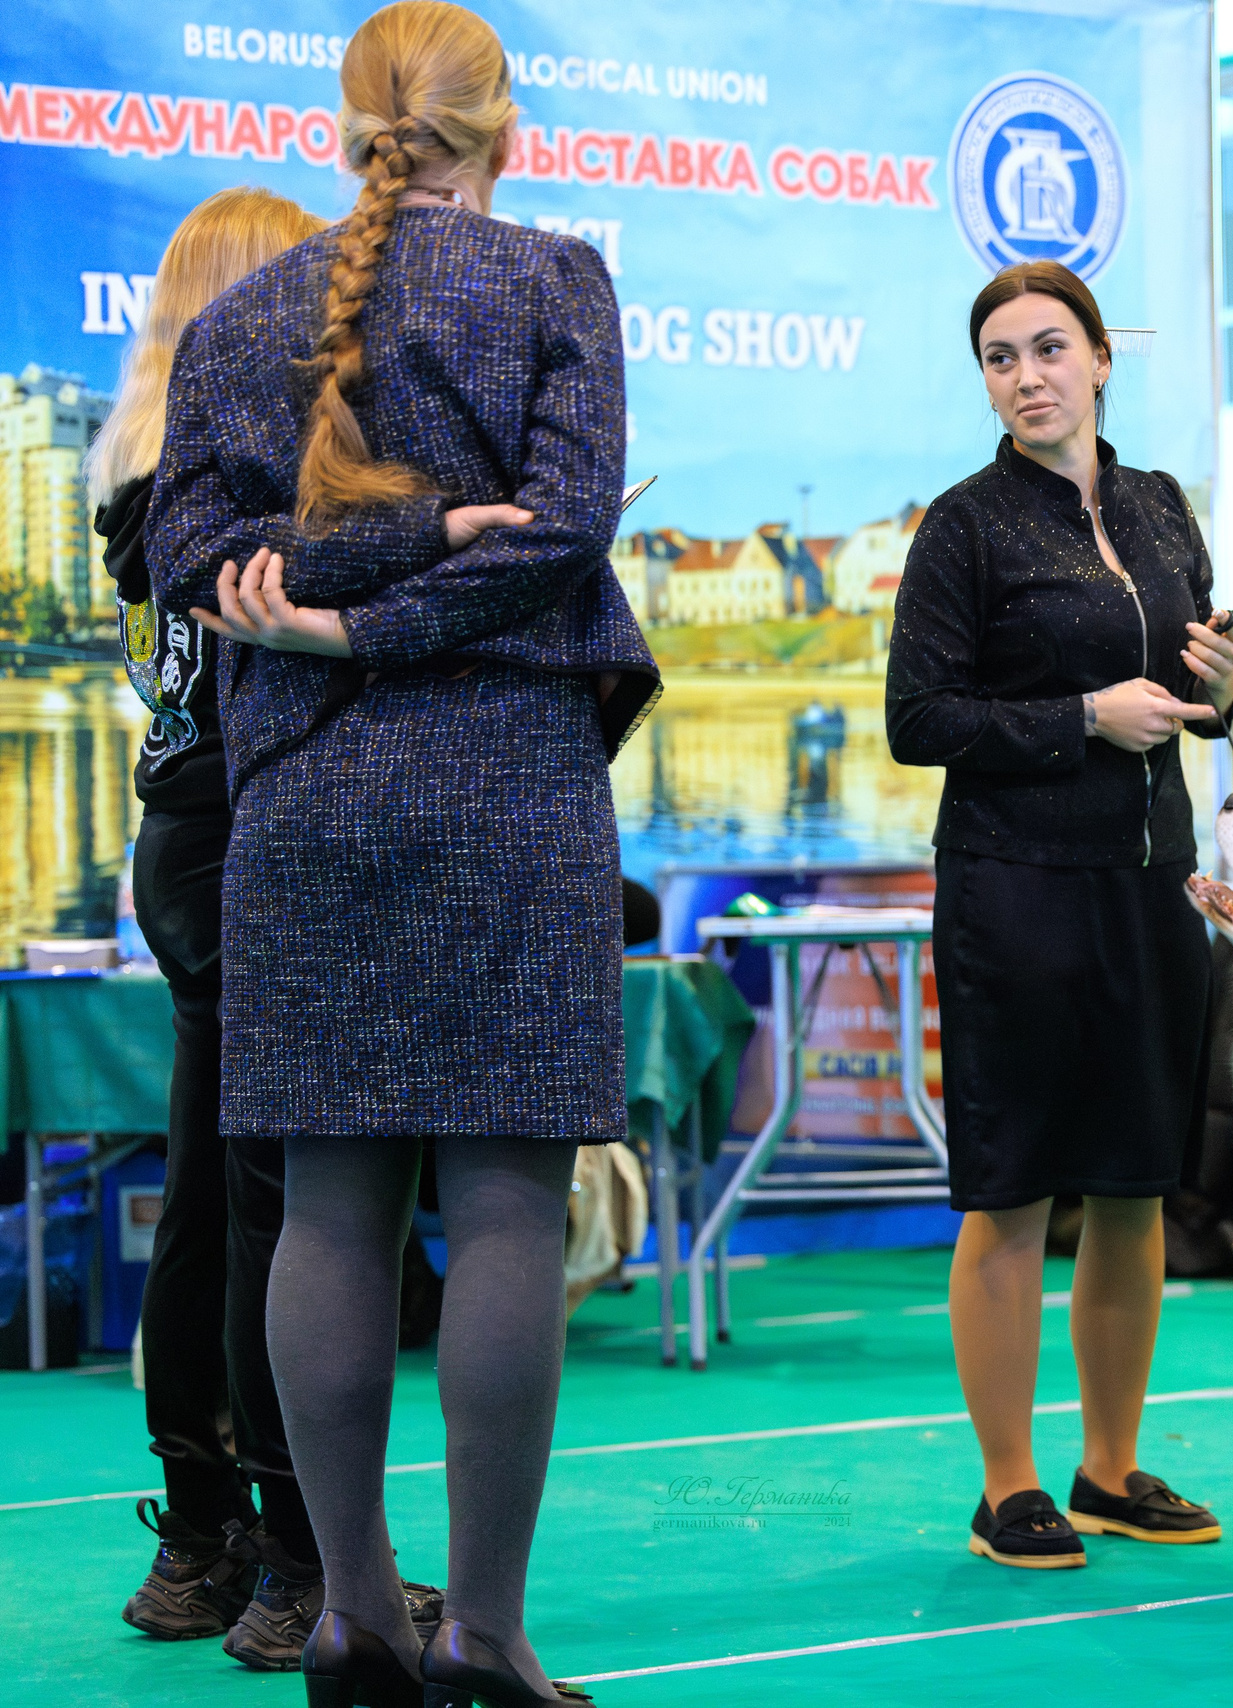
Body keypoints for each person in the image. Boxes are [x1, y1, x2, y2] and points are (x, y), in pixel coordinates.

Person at [150, 4, 656, 1699]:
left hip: (302, 801)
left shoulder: (233, 320)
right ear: (503, 130)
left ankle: (358, 1609)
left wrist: (331, 619)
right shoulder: (556, 281)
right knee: (507, 1205)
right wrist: (420, 564)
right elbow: (570, 525)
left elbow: (193, 556)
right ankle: (491, 1636)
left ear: (348, 126)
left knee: (331, 1210)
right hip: (507, 781)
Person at [91, 183, 449, 1670]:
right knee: (281, 1206)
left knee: (205, 1192)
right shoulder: (262, 468)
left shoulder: (134, 474)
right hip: (252, 834)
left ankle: (200, 1540)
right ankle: (305, 1565)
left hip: (172, 837)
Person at [886, 258, 1233, 1572]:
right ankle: (1008, 1482)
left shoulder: (1160, 509)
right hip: (1012, 891)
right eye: (999, 357)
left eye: (1047, 348)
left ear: (1100, 359)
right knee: (1017, 1193)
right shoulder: (963, 527)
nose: (1026, 375)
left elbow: (1198, 701)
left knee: (1138, 1186)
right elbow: (917, 720)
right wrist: (1083, 715)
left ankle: (1108, 1466)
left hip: (1151, 884)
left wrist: (1224, 685)